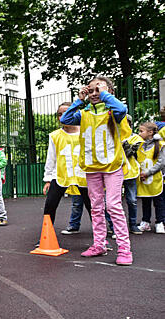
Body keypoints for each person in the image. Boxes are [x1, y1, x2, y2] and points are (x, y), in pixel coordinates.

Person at [60, 76, 133, 265]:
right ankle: (99, 244)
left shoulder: (113, 112)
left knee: (114, 206)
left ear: (109, 92)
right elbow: (65, 119)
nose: (94, 94)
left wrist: (105, 94)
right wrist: (79, 99)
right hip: (92, 167)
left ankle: (125, 249)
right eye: (90, 90)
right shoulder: (84, 114)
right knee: (96, 207)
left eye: (98, 90)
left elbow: (122, 109)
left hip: (112, 167)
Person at [42, 102, 91, 236]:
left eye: (66, 112)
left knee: (93, 207)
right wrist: (47, 179)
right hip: (61, 176)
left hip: (83, 176)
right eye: (59, 114)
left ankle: (100, 239)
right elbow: (51, 158)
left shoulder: (86, 132)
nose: (62, 116)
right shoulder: (55, 135)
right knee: (50, 205)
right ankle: (46, 237)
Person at [105, 115, 143, 235]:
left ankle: (133, 224)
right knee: (110, 202)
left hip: (129, 173)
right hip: (111, 172)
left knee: (131, 200)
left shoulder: (136, 138)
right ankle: (113, 226)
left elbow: (129, 152)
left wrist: (120, 141)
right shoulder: (108, 136)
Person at [136, 122, 165, 234]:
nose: (139, 133)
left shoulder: (161, 145)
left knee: (159, 202)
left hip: (155, 179)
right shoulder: (139, 145)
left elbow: (161, 163)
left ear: (150, 132)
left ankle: (160, 222)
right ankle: (145, 221)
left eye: (141, 131)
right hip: (143, 179)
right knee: (145, 201)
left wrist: (148, 173)